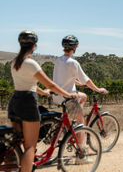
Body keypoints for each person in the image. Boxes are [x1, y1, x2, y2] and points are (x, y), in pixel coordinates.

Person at [8, 30, 78, 172]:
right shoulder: (31, 63)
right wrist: (69, 95)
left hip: (14, 102)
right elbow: (51, 85)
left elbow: (28, 83)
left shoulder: (15, 62)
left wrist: (42, 92)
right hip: (28, 103)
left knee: (17, 142)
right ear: (34, 46)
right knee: (30, 146)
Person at [53, 35, 107, 164]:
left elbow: (64, 77)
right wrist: (98, 89)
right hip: (68, 98)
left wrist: (76, 82)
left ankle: (75, 118)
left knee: (83, 96)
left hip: (57, 96)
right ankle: (80, 156)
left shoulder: (58, 60)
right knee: (82, 124)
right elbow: (87, 80)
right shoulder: (73, 62)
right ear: (75, 47)